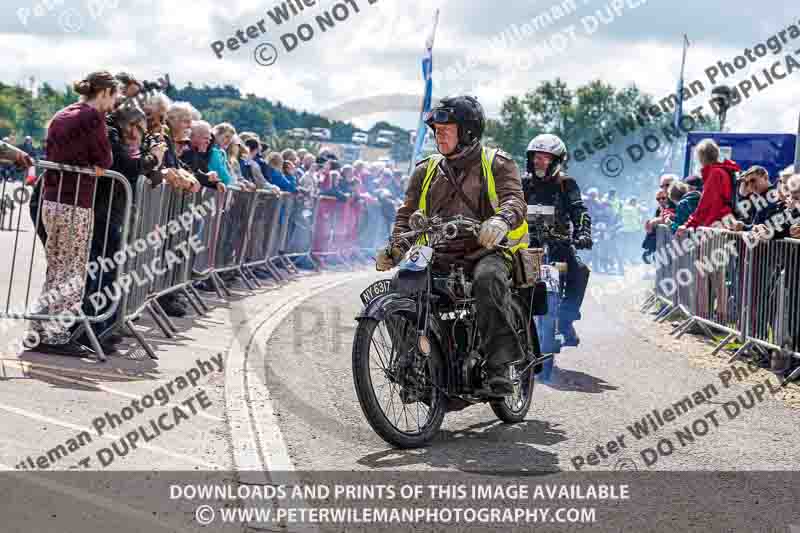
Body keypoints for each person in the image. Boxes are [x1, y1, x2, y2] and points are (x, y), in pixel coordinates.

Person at [377, 95, 529, 396]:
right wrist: (395, 247)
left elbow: (514, 200)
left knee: (488, 280)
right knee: (400, 285)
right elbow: (407, 214)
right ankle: (414, 363)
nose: (439, 135)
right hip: (438, 252)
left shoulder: (497, 163)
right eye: (436, 130)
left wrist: (501, 221)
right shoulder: (426, 169)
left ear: (468, 131)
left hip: (487, 251)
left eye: (446, 129)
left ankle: (498, 366)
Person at [27, 71, 117, 356]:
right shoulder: (93, 117)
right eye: (113, 97)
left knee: (56, 268)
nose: (113, 104)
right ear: (105, 92)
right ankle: (55, 333)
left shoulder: (62, 113)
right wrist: (95, 165)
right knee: (72, 270)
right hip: (76, 202)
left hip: (52, 199)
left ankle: (39, 328)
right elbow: (105, 159)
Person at [522, 133, 592, 345]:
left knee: (580, 271)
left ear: (557, 161)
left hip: (559, 244)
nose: (539, 162)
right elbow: (510, 208)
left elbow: (579, 210)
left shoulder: (566, 183)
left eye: (545, 158)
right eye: (537, 157)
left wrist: (583, 233)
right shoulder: (523, 183)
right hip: (527, 245)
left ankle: (566, 320)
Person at [676, 139, 741, 236]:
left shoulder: (714, 174)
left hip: (715, 225)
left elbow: (705, 204)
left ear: (701, 157)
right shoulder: (724, 170)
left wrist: (688, 225)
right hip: (725, 221)